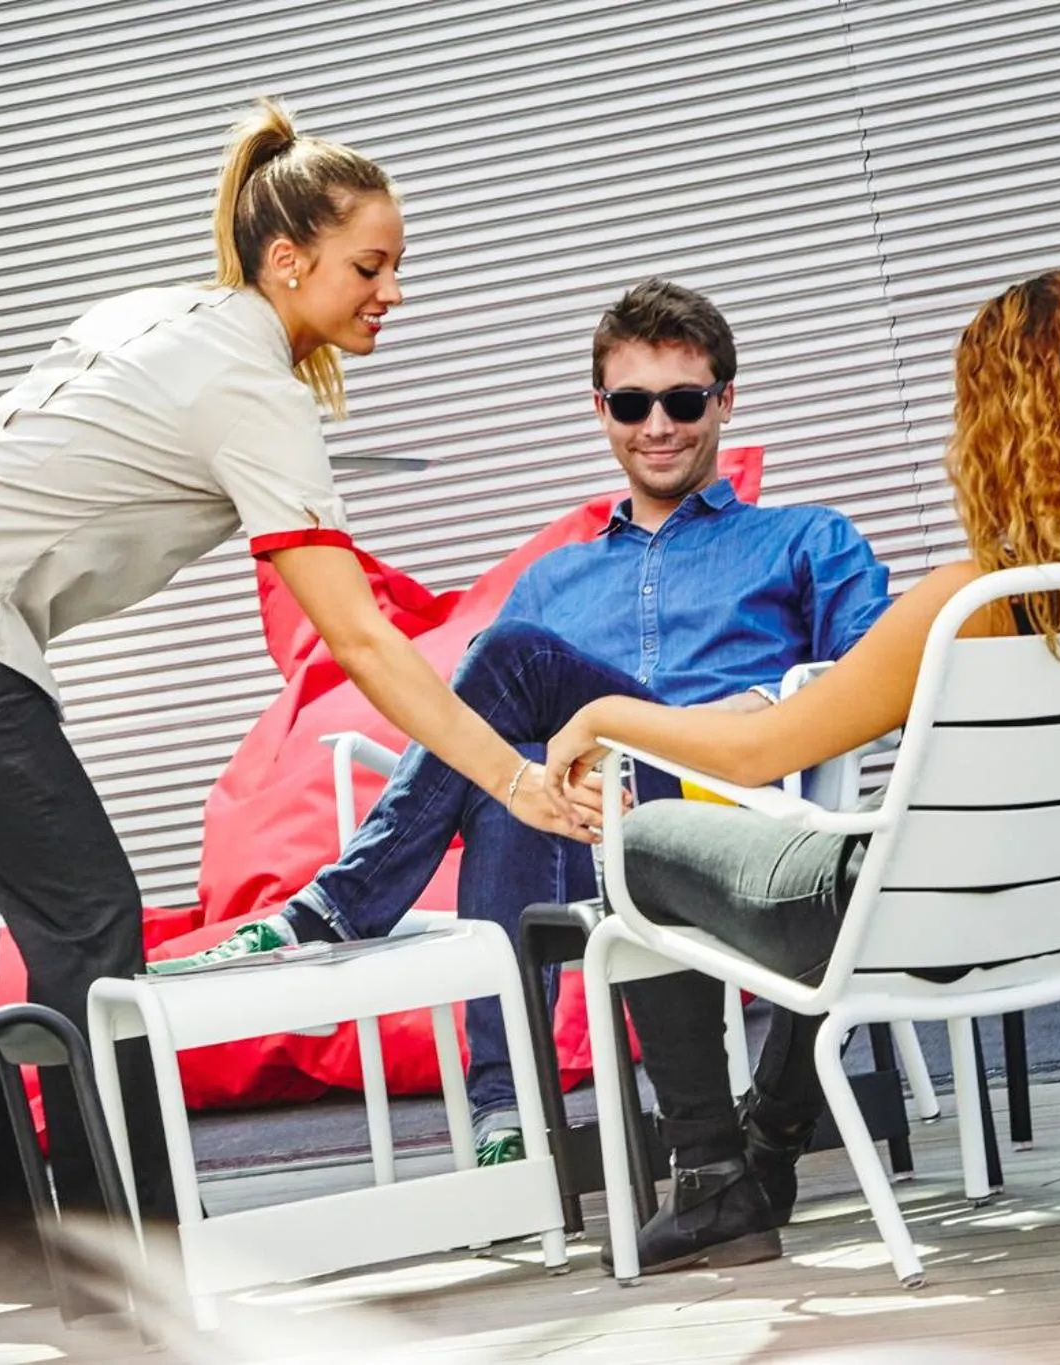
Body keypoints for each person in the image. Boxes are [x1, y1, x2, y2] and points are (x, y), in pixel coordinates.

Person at [0, 98, 593, 1308]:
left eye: (397, 268)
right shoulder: (254, 391)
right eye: (369, 267)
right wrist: (513, 780)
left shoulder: (169, 313)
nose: (391, 292)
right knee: (88, 923)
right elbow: (363, 645)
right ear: (290, 260)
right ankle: (123, 1266)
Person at [543, 269, 1060, 1275]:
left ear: (996, 430)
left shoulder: (974, 600)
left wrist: (602, 713)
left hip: (931, 915)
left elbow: (766, 749)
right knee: (862, 872)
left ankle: (715, 1176)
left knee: (649, 839)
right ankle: (763, 1148)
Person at [156, 279, 891, 1167]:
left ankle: (342, 903)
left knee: (515, 662)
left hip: (731, 811)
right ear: (601, 410)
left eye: (683, 400)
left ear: (724, 401)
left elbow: (872, 671)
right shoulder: (556, 582)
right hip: (587, 825)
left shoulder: (808, 539)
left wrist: (768, 705)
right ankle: (512, 1109)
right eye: (631, 402)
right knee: (507, 776)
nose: (657, 425)